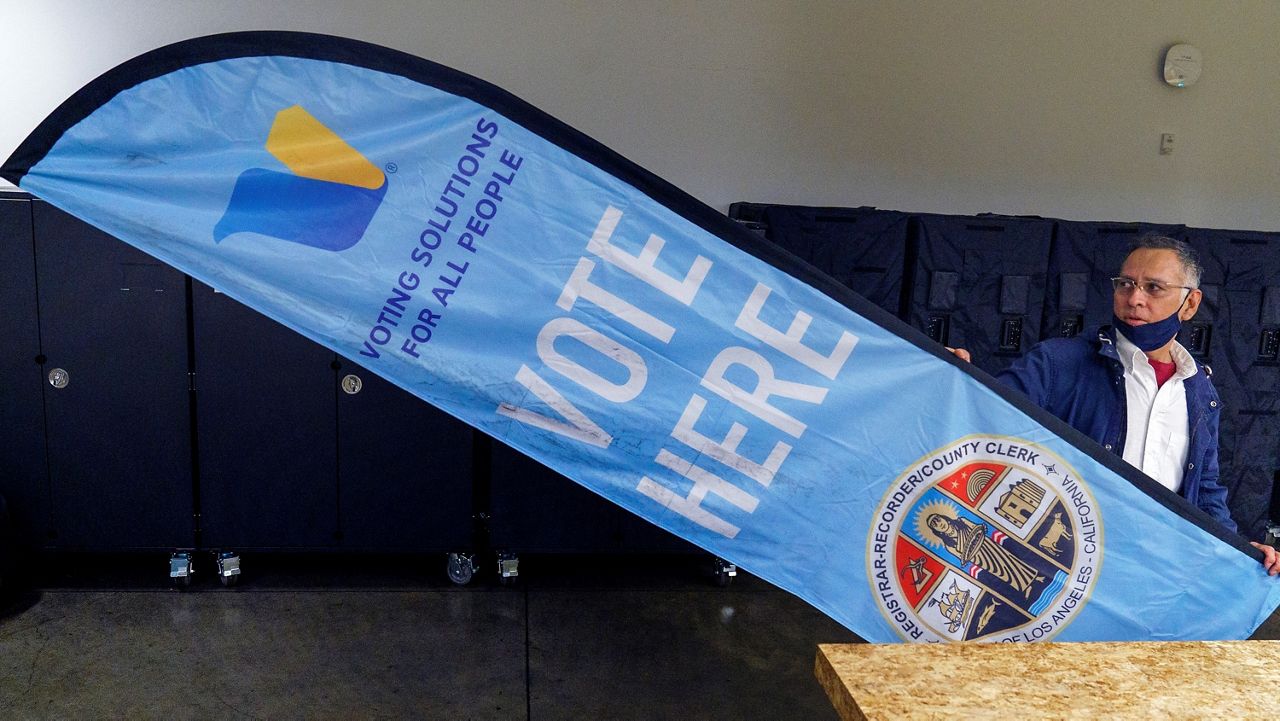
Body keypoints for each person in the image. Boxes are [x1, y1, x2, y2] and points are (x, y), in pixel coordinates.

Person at [956, 235, 1280, 575]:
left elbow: (1206, 492)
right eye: (1126, 284)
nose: (1134, 299)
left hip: (1150, 572)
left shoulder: (1200, 392)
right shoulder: (1055, 364)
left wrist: (1238, 552)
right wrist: (951, 379)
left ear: (1190, 304)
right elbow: (983, 422)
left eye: (1154, 288)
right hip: (1062, 564)